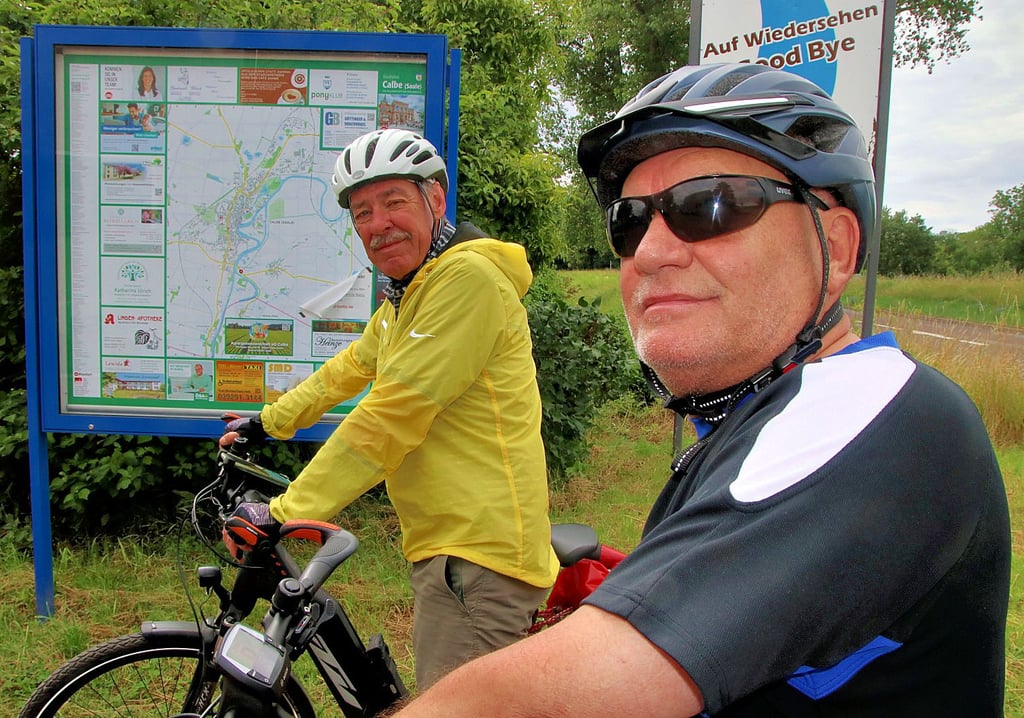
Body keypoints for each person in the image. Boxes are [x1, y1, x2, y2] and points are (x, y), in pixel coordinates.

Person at [386, 63, 1011, 716]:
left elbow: (532, 703)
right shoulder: (749, 427)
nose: (651, 251)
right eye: (629, 221)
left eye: (710, 204)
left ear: (837, 245)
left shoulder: (877, 412)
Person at [221, 128, 558, 690]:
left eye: (394, 201)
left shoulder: (466, 281)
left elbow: (392, 414)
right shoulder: (410, 294)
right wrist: (266, 422)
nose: (378, 224)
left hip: (479, 556)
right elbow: (350, 367)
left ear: (435, 199)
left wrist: (284, 512)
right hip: (451, 545)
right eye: (362, 213)